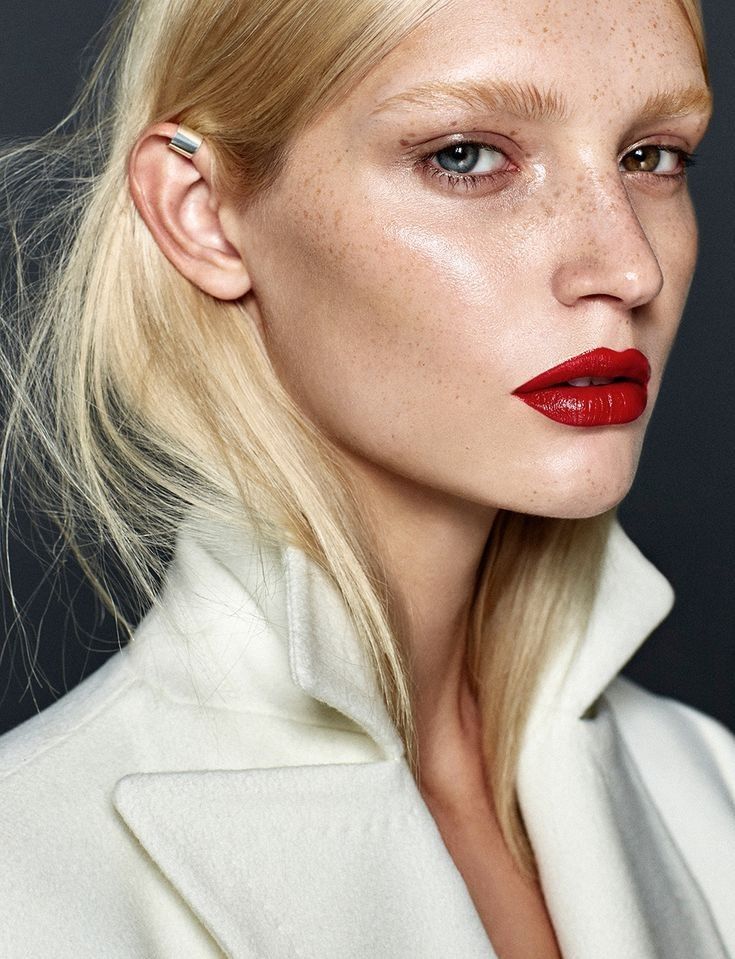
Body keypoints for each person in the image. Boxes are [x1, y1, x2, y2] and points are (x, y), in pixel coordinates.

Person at [0, 0, 732, 956]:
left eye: (650, 157)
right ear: (202, 215)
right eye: (465, 156)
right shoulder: (30, 879)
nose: (629, 269)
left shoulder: (708, 789)